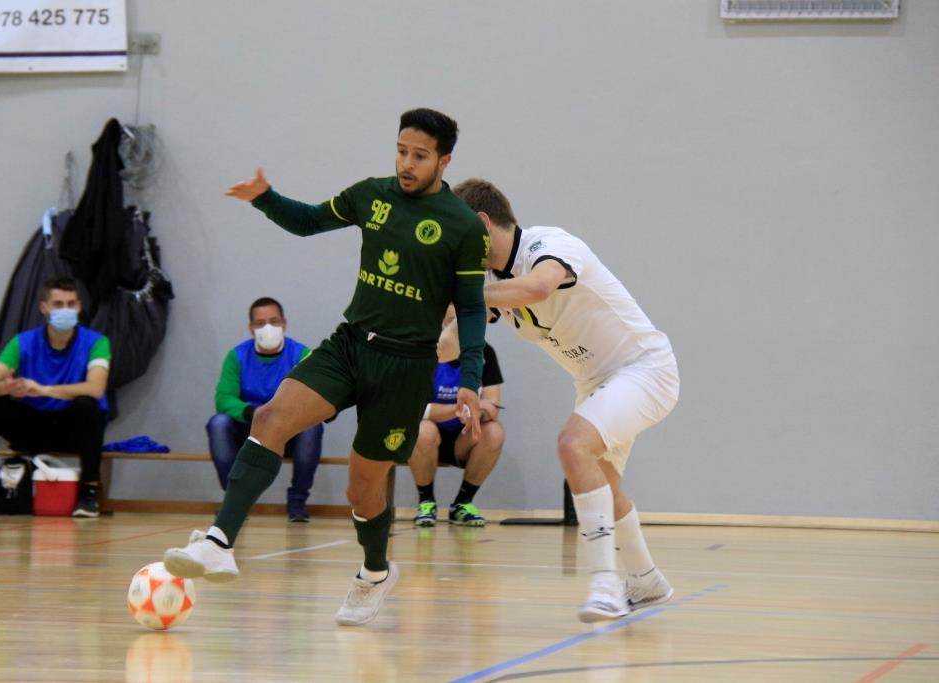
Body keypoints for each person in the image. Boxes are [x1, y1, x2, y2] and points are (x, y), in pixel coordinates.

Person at [163, 108, 488, 627]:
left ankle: (375, 572)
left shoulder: (464, 227)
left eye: (420, 156)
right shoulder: (372, 194)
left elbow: (471, 308)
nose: (406, 163)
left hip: (405, 367)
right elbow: (311, 220)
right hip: (350, 343)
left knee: (364, 490)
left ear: (444, 161)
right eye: (401, 150)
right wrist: (264, 198)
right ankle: (219, 541)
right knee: (270, 419)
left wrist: (470, 379)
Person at [452, 178, 679, 623]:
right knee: (604, 484)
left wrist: (463, 297)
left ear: (481, 223)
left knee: (572, 444)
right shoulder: (493, 282)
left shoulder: (547, 244)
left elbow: (537, 289)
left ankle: (605, 585)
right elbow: (450, 342)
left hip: (644, 368)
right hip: (595, 381)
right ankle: (647, 580)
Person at [0, 276, 111, 518]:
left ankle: (88, 493)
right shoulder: (23, 342)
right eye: (58, 304)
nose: (65, 310)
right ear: (44, 308)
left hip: (71, 429)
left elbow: (95, 387)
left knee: (88, 406)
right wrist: (9, 388)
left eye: (71, 303)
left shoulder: (96, 342)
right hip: (31, 426)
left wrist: (43, 389)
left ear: (79, 306)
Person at [208, 296, 325, 522]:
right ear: (251, 328)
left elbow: (312, 398)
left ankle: (297, 503)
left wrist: (280, 415)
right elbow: (224, 399)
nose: (268, 328)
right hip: (249, 430)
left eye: (274, 321)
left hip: (289, 430)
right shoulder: (237, 356)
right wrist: (254, 413)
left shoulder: (302, 355)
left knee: (313, 427)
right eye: (260, 323)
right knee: (218, 424)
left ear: (284, 323)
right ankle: (235, 501)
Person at [412, 305, 505, 527]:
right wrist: (463, 408)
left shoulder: (485, 354)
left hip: (462, 437)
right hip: (427, 434)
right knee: (422, 429)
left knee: (494, 432)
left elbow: (492, 405)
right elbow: (418, 410)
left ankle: (462, 503)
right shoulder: (427, 352)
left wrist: (480, 412)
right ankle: (426, 501)